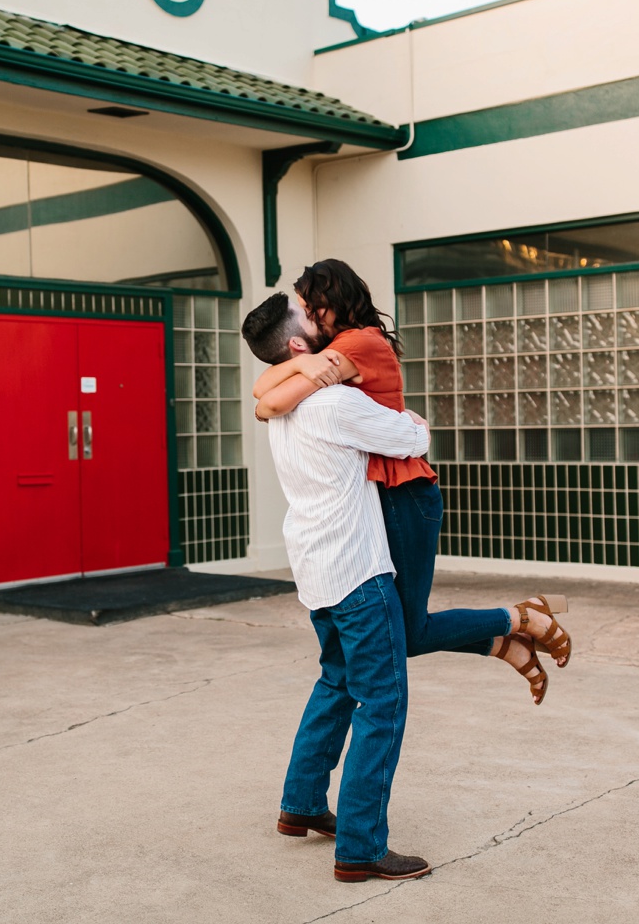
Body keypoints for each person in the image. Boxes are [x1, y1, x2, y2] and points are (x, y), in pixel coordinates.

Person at [253, 260, 572, 704]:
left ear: (332, 302)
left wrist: (300, 371)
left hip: (404, 493)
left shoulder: (357, 344)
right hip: (382, 494)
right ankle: (507, 638)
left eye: (311, 306)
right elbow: (263, 390)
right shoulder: (340, 347)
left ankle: (516, 620)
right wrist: (303, 368)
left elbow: (267, 403)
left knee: (407, 631)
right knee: (403, 633)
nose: (309, 313)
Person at [241, 291, 433, 883]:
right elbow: (413, 439)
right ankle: (361, 846)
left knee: (337, 682)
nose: (326, 322)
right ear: (299, 347)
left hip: (315, 569)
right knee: (383, 701)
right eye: (313, 320)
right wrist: (412, 421)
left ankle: (300, 805)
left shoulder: (283, 407)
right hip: (358, 569)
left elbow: (266, 396)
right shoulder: (337, 403)